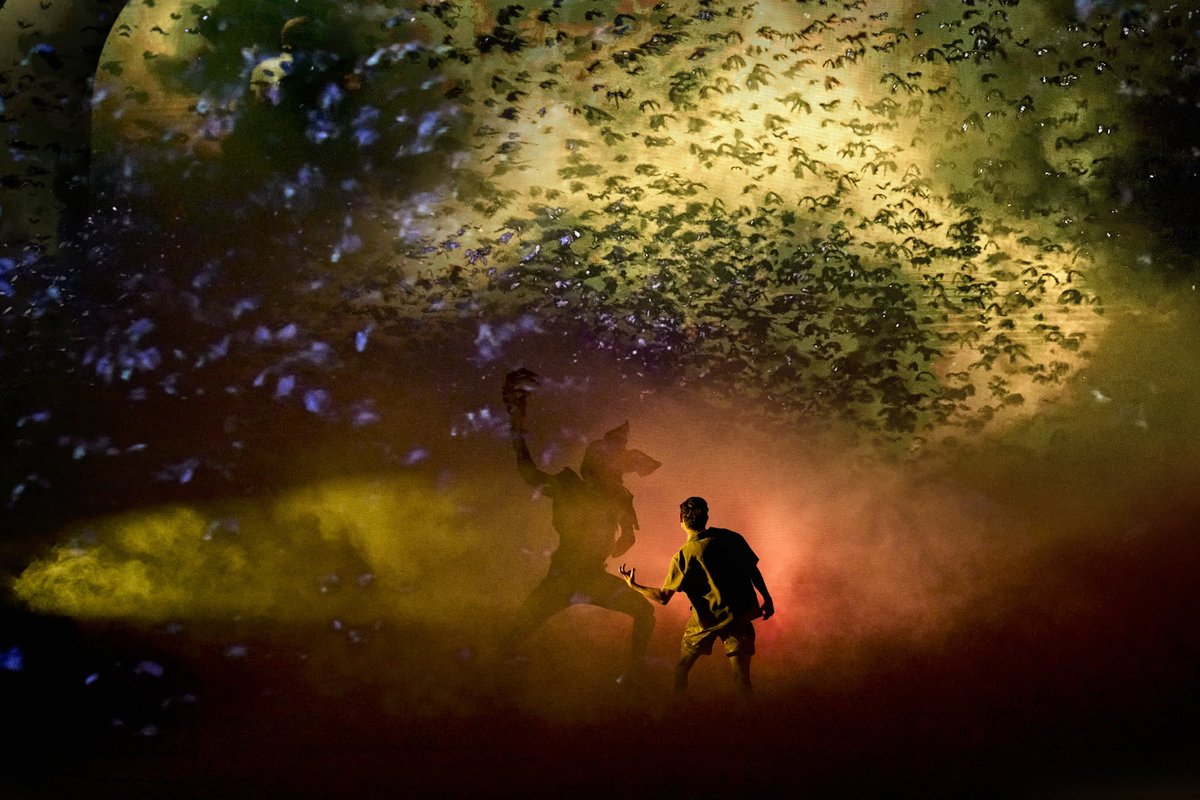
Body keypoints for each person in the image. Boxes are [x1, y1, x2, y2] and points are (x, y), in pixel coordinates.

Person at [500, 368, 660, 681]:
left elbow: (627, 538)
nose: (619, 469)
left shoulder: (618, 498)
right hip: (563, 578)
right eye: (615, 463)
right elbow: (529, 474)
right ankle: (488, 682)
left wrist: (621, 541)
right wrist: (516, 423)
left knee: (645, 614)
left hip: (590, 578)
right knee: (514, 635)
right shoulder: (571, 486)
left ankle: (633, 676)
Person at [619, 496, 774, 697]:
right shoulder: (731, 538)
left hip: (705, 621)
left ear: (681, 519)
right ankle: (749, 724)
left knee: (682, 669)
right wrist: (767, 598)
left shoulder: (684, 555)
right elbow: (753, 570)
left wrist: (634, 585)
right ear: (706, 516)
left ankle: (679, 713)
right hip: (739, 616)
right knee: (742, 679)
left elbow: (663, 597)